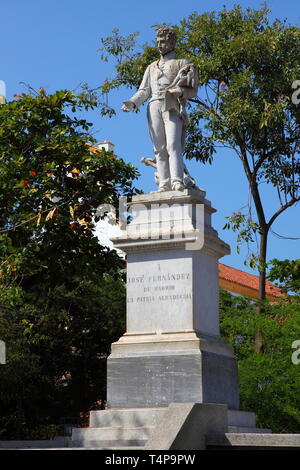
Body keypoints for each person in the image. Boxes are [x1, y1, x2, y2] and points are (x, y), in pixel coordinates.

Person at [121, 27, 199, 192]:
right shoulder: (151, 67)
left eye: (163, 42)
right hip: (154, 105)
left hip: (172, 105)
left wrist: (180, 92)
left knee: (173, 144)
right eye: (158, 42)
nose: (160, 45)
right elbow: (144, 90)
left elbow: (192, 89)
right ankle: (164, 184)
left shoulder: (182, 64)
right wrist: (132, 103)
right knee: (159, 148)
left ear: (172, 42)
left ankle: (177, 180)